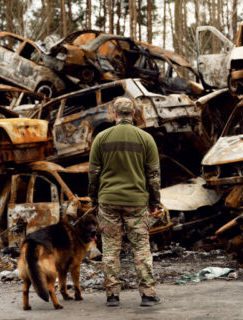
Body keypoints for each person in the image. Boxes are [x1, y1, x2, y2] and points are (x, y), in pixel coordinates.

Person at [88, 97, 161, 307]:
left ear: (114, 114)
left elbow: (93, 174)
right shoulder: (146, 139)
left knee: (111, 248)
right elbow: (154, 175)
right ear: (134, 115)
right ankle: (147, 295)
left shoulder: (101, 138)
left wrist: (94, 199)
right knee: (141, 248)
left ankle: (112, 296)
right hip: (137, 202)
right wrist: (154, 202)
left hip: (108, 201)